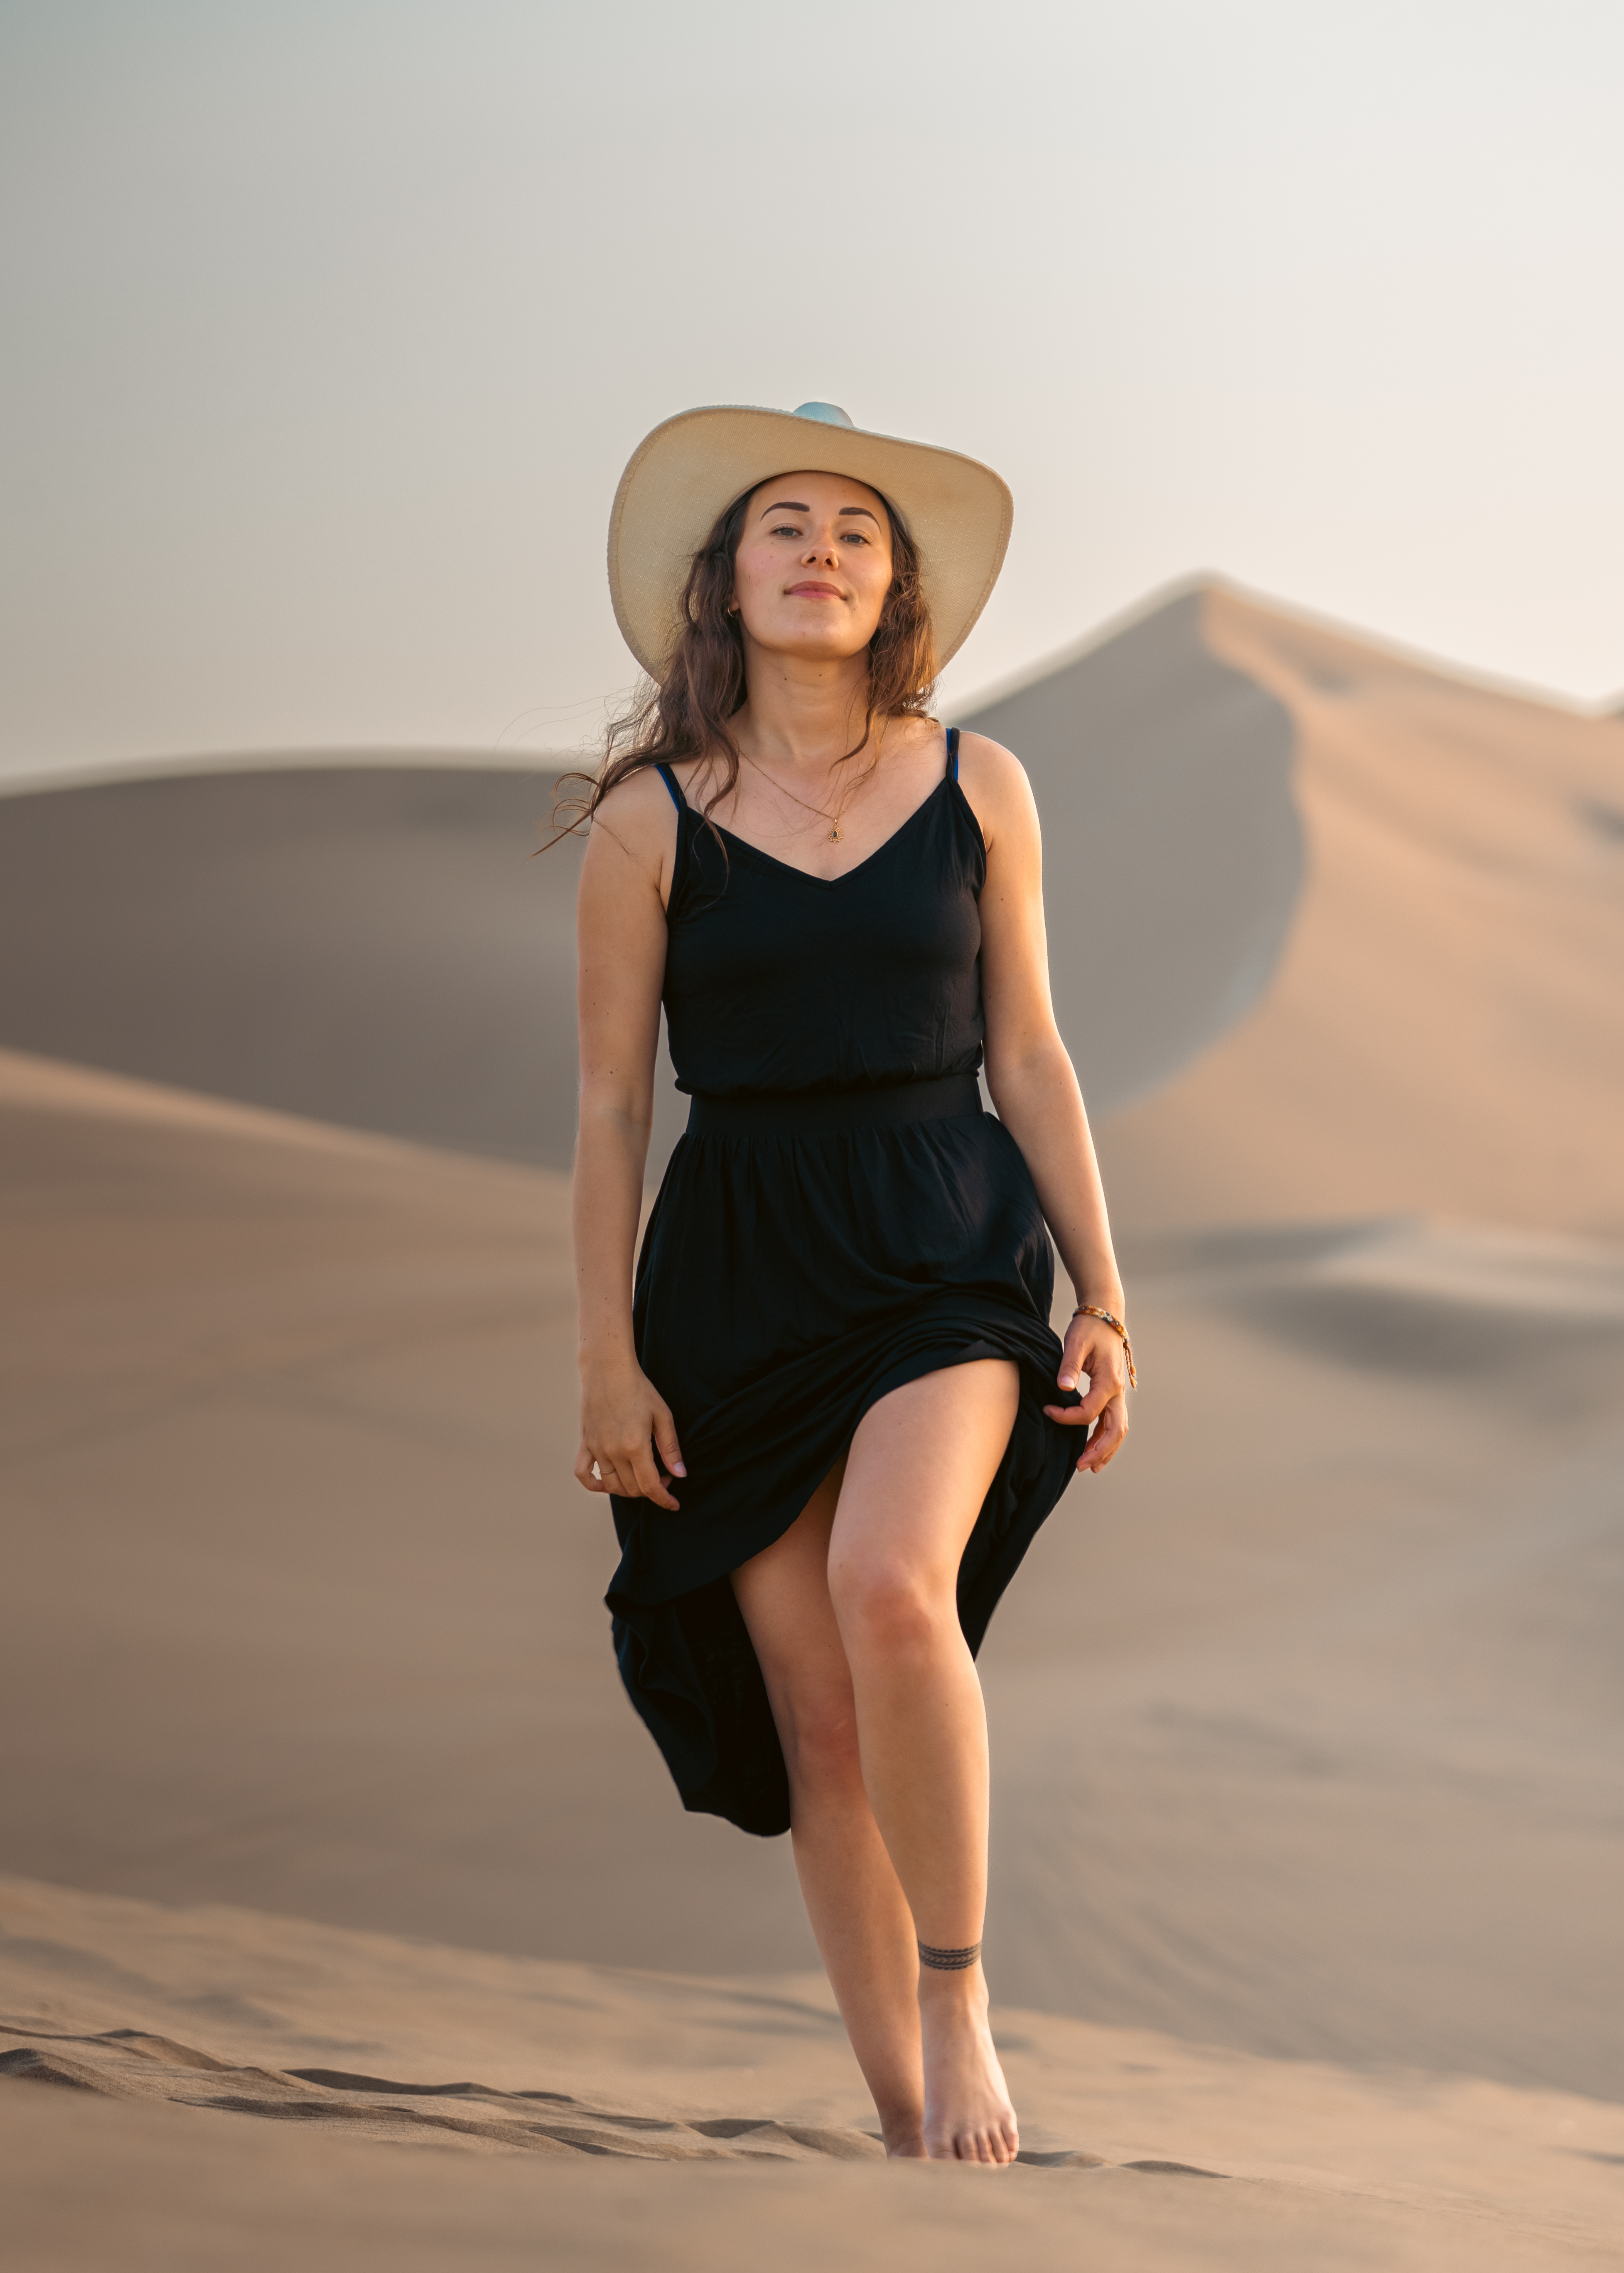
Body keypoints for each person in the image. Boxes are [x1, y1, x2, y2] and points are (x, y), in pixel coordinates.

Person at [566, 401, 1133, 2166]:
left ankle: (961, 2002)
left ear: (894, 588)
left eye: (856, 532)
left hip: (943, 1232)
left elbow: (1029, 1052)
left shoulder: (979, 781)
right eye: (783, 525)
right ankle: (907, 2122)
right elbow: (604, 1103)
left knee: (896, 1583)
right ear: (723, 581)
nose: (821, 550)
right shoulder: (649, 821)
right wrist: (603, 1352)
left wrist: (1105, 1296)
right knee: (819, 1712)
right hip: (735, 1262)